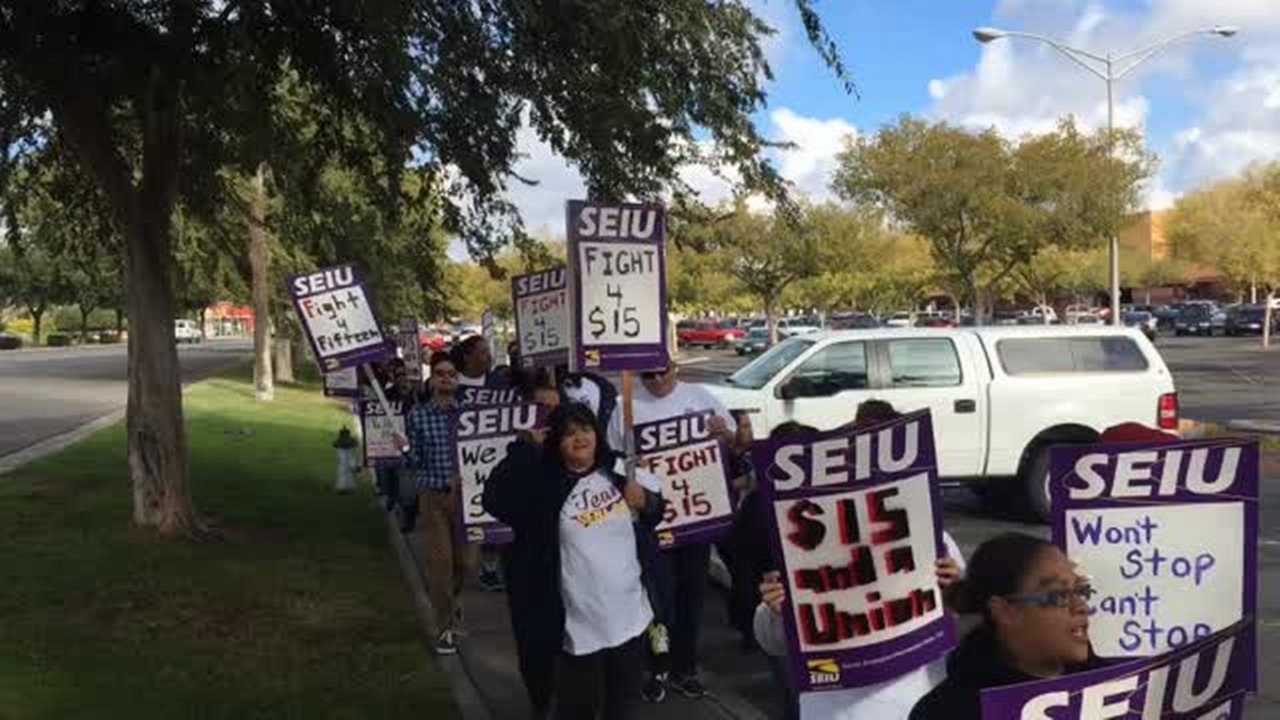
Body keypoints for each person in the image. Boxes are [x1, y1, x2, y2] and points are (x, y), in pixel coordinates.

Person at [753, 407, 966, 720]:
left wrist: (958, 591)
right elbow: (773, 643)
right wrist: (775, 611)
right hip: (835, 707)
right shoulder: (805, 539)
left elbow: (968, 627)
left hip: (918, 701)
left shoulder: (935, 540)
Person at [484, 402, 665, 720]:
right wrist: (523, 448)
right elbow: (494, 498)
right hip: (579, 628)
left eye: (585, 429)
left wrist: (647, 501)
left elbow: (656, 511)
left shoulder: (619, 468)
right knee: (577, 710)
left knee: (624, 707)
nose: (579, 438)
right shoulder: (544, 485)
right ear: (555, 442)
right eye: (568, 433)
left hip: (631, 617)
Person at [606, 358, 740, 702]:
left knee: (692, 597)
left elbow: (735, 444)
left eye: (662, 371)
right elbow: (611, 461)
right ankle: (656, 667)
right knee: (657, 601)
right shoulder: (625, 408)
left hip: (696, 519)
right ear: (638, 375)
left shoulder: (700, 396)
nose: (656, 379)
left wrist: (724, 433)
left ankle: (686, 668)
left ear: (675, 367)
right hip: (653, 523)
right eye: (647, 374)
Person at [909, 533, 1099, 720]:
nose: (1081, 607)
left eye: (1081, 590)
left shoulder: (1118, 690)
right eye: (1059, 596)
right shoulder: (944, 712)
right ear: (1004, 611)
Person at [396, 351, 478, 655]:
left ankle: (451, 602)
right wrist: (404, 450)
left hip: (467, 500)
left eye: (451, 373)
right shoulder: (418, 416)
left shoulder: (469, 414)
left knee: (466, 563)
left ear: (457, 379)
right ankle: (444, 627)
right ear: (432, 379)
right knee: (441, 562)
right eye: (441, 373)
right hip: (433, 497)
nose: (446, 377)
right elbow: (415, 461)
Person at [452, 334, 508, 591]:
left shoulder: (500, 383)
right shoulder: (452, 386)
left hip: (495, 460)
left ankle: (491, 566)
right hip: (464, 466)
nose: (489, 357)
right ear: (467, 357)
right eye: (483, 352)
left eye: (489, 352)